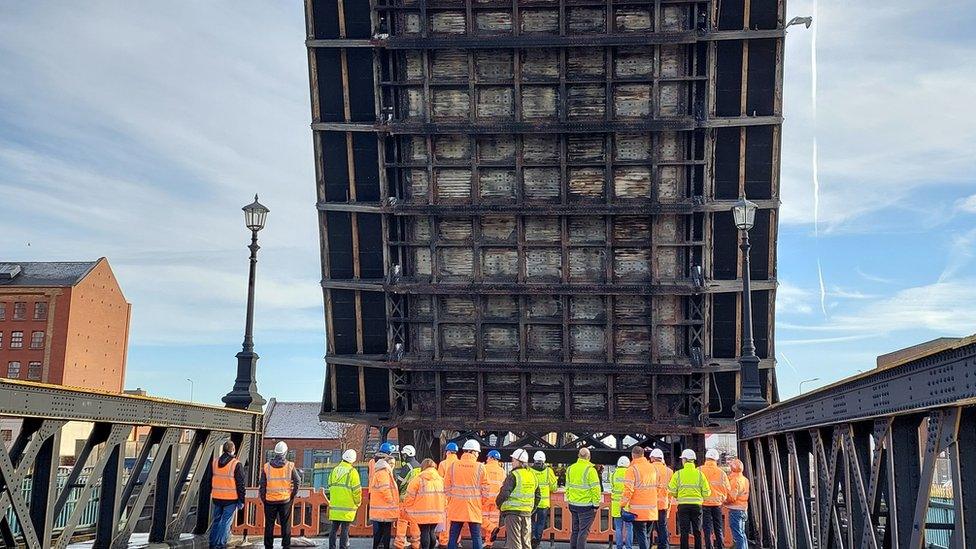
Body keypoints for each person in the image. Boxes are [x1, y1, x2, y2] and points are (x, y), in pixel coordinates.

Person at [445, 440, 487, 549]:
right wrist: (481, 502)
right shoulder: (480, 467)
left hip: (456, 507)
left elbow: (446, 487)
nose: (478, 455)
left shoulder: (454, 465)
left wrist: (451, 500)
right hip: (473, 507)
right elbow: (486, 489)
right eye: (477, 453)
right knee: (476, 536)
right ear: (473, 452)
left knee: (453, 536)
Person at [259, 441, 302, 549]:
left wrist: (264, 498)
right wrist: (292, 494)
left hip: (269, 501)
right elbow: (297, 481)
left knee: (269, 525)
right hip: (285, 500)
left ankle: (268, 546)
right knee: (285, 525)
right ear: (285, 452)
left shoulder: (267, 467)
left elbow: (262, 485)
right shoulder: (290, 466)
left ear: (275, 453)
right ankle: (286, 545)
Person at [496, 448, 539, 549]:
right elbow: (538, 496)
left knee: (514, 544)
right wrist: (531, 509)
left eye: (513, 460)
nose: (512, 462)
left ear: (519, 462)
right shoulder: (532, 475)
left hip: (513, 514)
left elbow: (504, 493)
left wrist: (498, 504)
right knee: (526, 543)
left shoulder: (514, 475)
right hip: (527, 513)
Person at [667, 450, 711, 549]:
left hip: (683, 506)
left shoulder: (678, 474)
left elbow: (671, 490)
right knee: (697, 531)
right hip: (697, 506)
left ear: (685, 460)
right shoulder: (700, 475)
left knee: (684, 531)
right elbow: (707, 492)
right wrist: (699, 498)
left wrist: (678, 496)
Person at [210, 440, 245, 549]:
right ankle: (220, 544)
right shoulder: (236, 464)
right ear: (233, 450)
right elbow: (240, 484)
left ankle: (212, 543)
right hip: (230, 499)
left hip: (217, 497)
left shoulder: (215, 462)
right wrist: (242, 500)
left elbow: (208, 479)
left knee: (216, 520)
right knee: (225, 522)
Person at [404, 459, 447, 549]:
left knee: (424, 531)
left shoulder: (418, 479)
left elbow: (409, 496)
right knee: (431, 531)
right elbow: (446, 496)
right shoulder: (440, 480)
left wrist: (407, 508)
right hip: (437, 511)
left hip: (422, 512)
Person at [565, 447, 602, 549]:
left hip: (573, 504)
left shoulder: (570, 469)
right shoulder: (590, 470)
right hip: (586, 506)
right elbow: (595, 489)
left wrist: (569, 499)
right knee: (583, 532)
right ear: (589, 457)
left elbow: (567, 486)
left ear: (578, 456)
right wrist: (596, 505)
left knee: (575, 530)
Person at [621, 447, 658, 549]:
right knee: (647, 536)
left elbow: (628, 490)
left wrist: (622, 504)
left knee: (641, 535)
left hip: (638, 511)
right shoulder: (653, 468)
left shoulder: (632, 470)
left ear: (632, 455)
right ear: (643, 455)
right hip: (652, 510)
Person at [328, 449, 363, 549]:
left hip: (335, 505)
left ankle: (332, 547)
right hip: (347, 506)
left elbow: (329, 485)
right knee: (345, 529)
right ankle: (343, 547)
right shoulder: (352, 472)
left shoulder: (334, 470)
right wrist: (358, 502)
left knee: (334, 529)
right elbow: (357, 490)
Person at [699, 450, 730, 549]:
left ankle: (709, 547)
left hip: (704, 504)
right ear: (716, 460)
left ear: (706, 458)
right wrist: (723, 498)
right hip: (717, 504)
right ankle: (720, 547)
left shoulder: (699, 470)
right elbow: (727, 489)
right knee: (718, 528)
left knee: (707, 529)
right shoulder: (721, 473)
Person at [371, 453, 401, 549]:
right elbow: (385, 489)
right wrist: (391, 501)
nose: (393, 465)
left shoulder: (382, 472)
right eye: (391, 463)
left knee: (381, 531)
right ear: (386, 463)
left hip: (382, 507)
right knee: (384, 531)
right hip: (384, 507)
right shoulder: (384, 473)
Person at [530, 451, 558, 549]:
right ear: (544, 460)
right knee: (541, 523)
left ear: (534, 459)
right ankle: (537, 541)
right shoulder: (548, 471)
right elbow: (554, 487)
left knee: (531, 521)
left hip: (531, 502)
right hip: (544, 503)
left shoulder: (530, 471)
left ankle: (531, 537)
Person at [396, 446, 422, 549]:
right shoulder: (419, 466)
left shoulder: (407, 467)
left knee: (402, 520)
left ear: (406, 455)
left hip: (405, 498)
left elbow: (400, 482)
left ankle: (400, 543)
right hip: (416, 499)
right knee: (414, 521)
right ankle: (416, 543)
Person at [648, 449, 673, 549]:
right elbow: (671, 491)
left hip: (650, 504)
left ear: (653, 458)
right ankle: (664, 546)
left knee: (648, 528)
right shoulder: (669, 472)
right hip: (663, 504)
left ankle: (648, 546)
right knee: (662, 527)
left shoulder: (648, 469)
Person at [482, 450, 507, 548]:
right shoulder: (502, 471)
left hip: (485, 498)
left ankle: (492, 529)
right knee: (493, 520)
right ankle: (489, 543)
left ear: (491, 458)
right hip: (496, 500)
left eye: (488, 457)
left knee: (481, 518)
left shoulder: (484, 468)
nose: (487, 459)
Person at [438, 442, 460, 548]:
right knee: (457, 519)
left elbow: (440, 480)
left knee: (445, 519)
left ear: (448, 452)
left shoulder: (443, 464)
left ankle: (443, 541)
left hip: (446, 495)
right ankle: (457, 540)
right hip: (458, 496)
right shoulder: (459, 464)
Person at [725, 459, 749, 549]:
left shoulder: (735, 481)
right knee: (742, 534)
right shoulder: (745, 479)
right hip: (743, 509)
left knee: (738, 535)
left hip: (735, 510)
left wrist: (723, 500)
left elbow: (732, 497)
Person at [610, 456, 632, 549]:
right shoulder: (630, 473)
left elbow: (612, 486)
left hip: (616, 504)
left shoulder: (614, 473)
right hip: (627, 504)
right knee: (629, 527)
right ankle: (628, 546)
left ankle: (619, 546)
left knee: (618, 528)